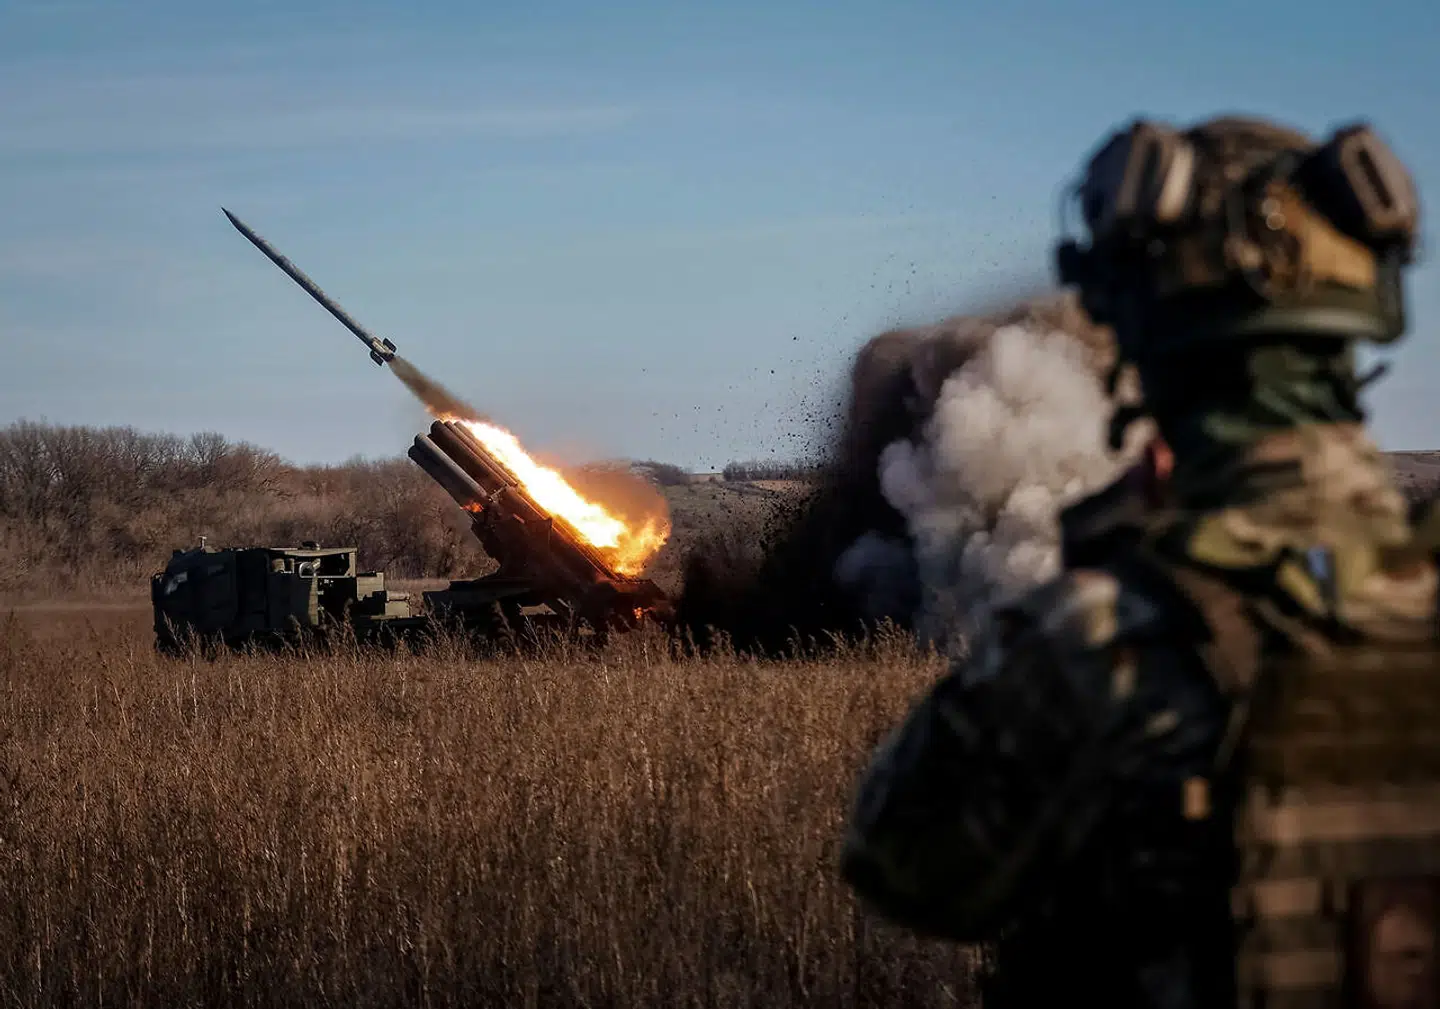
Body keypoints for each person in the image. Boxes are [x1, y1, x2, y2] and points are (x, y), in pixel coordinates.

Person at [840, 113, 1434, 1009]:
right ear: (1366, 310)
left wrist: (1110, 558)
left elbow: (899, 862)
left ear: (1146, 331)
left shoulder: (1103, 633)